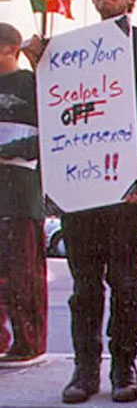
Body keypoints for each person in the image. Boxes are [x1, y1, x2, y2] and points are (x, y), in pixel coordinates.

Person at [16, 0, 137, 403]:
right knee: (84, 286)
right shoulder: (61, 50)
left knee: (124, 280)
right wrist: (38, 60)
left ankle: (125, 368)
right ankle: (85, 372)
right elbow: (50, 116)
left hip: (125, 185)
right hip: (79, 188)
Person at [0, 23, 46, 368]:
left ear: (9, 50)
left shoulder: (33, 85)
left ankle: (28, 341)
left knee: (23, 273)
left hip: (22, 191)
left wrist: (7, 149)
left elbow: (48, 136)